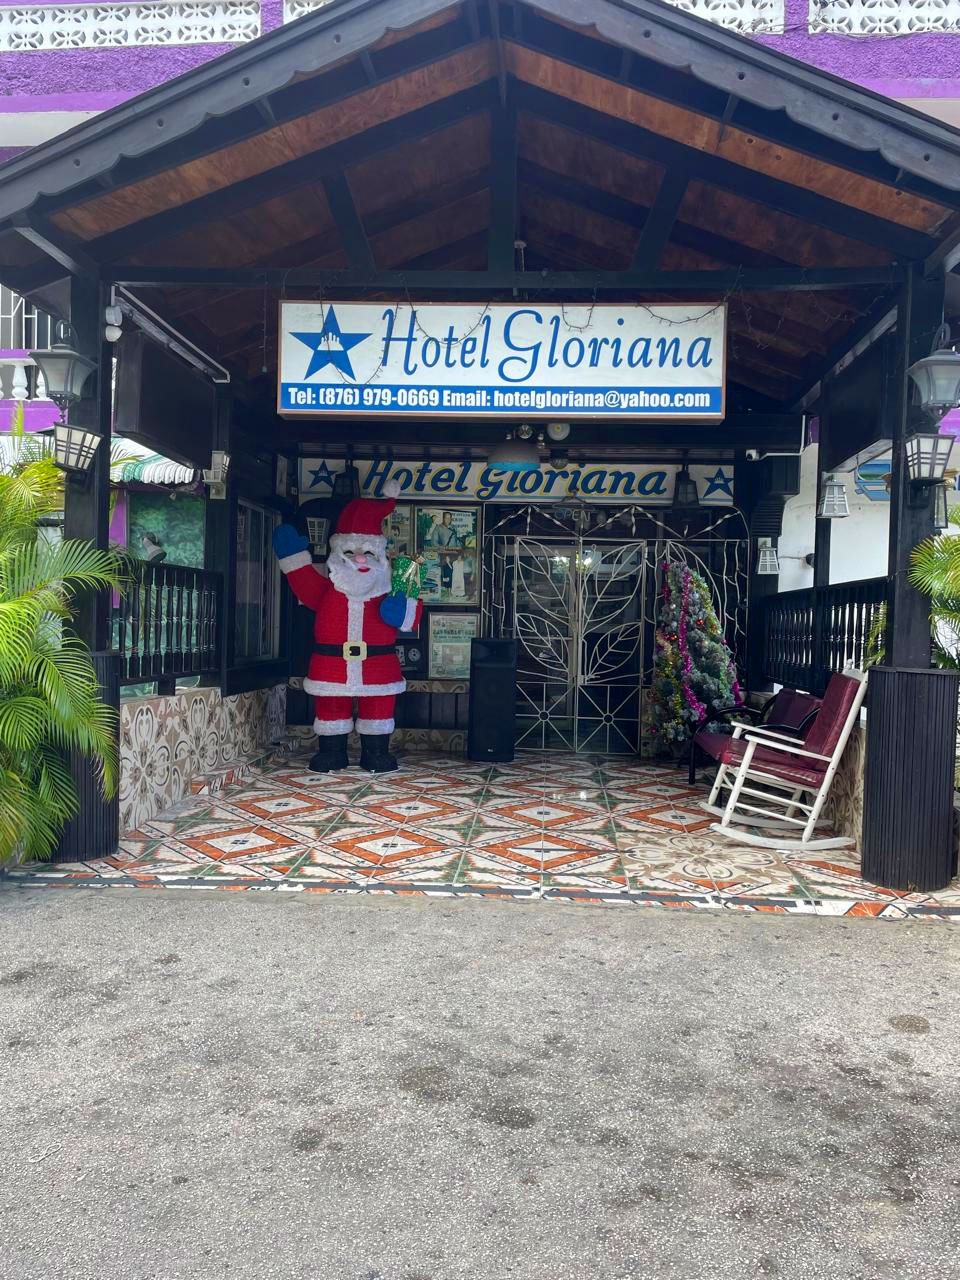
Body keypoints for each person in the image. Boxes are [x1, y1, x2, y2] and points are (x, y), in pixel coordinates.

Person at [272, 483, 422, 773]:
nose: (360, 558)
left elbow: (409, 618)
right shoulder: (329, 589)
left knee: (378, 709)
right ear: (338, 551)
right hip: (331, 664)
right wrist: (292, 558)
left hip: (379, 664)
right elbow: (304, 582)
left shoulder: (398, 580)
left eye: (367, 552)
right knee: (331, 708)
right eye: (350, 551)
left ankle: (376, 754)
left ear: (381, 553)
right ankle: (332, 753)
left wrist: (403, 600)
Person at [429, 510, 462, 594]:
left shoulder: (453, 528)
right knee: (445, 572)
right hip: (443, 554)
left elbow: (457, 540)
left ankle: (452, 589)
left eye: (449, 518)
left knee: (453, 572)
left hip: (454, 554)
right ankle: (445, 588)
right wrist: (442, 547)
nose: (448, 520)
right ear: (443, 519)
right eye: (446, 518)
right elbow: (433, 542)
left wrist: (459, 547)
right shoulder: (438, 528)